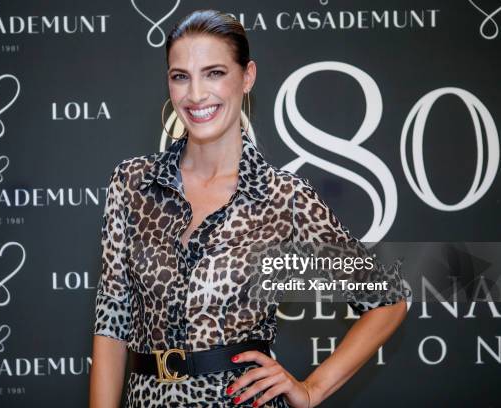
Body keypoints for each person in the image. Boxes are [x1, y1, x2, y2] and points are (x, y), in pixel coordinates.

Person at [89, 9, 409, 408]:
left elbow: (387, 300)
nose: (196, 95)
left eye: (215, 73)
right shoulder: (132, 184)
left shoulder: (283, 198)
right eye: (180, 76)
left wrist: (312, 390)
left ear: (247, 76)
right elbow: (112, 320)